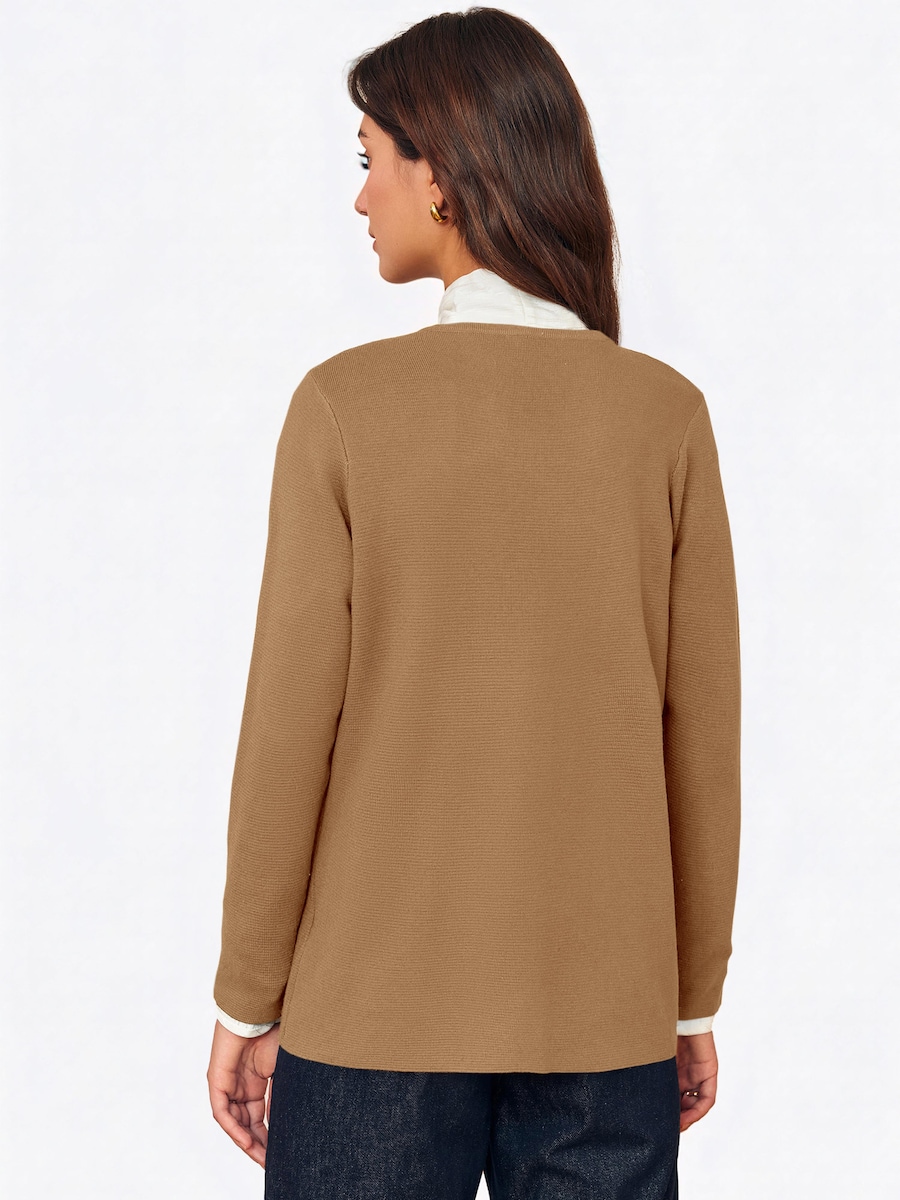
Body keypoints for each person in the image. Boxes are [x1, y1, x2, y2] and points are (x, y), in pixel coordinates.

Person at [206, 8, 741, 1198]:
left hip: (370, 1020)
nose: (361, 198)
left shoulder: (344, 408)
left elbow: (288, 730)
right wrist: (689, 998)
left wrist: (247, 995)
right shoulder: (664, 417)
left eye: (371, 160)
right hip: (606, 1018)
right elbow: (701, 740)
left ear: (440, 173)